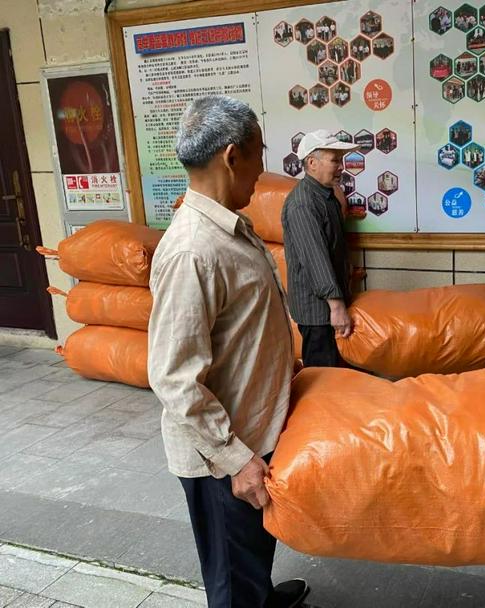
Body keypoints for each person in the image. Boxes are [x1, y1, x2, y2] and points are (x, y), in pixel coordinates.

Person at [147, 95, 309, 608]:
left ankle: (257, 593)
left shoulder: (229, 228)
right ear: (233, 155)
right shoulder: (194, 250)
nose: (264, 169)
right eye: (261, 153)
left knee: (252, 544)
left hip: (251, 426)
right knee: (231, 575)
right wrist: (235, 460)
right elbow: (174, 376)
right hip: (220, 451)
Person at [282, 129, 357, 367]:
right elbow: (315, 259)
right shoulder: (303, 203)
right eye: (334, 160)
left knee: (339, 373)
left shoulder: (325, 196)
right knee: (323, 375)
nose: (340, 167)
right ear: (312, 163)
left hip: (330, 304)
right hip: (318, 310)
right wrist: (336, 306)